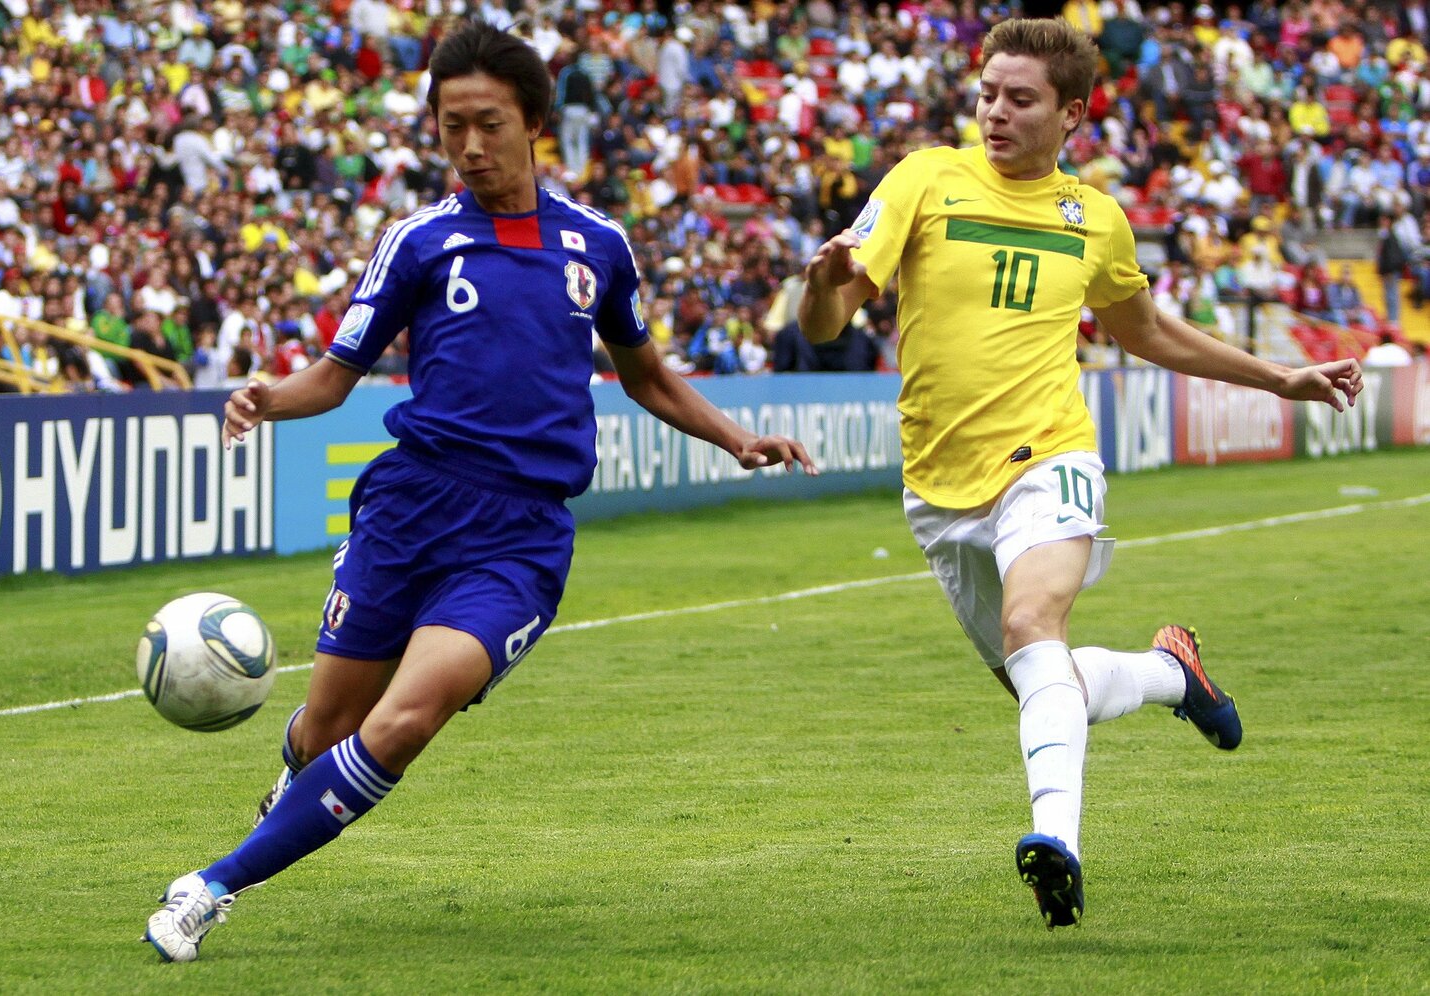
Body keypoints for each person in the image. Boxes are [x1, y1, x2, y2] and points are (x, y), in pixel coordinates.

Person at [143, 20, 816, 963]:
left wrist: (738, 437)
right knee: (331, 727)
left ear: (534, 121)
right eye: (451, 124)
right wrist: (268, 396)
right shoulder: (418, 241)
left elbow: (648, 375)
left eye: (489, 123)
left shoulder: (597, 245)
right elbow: (335, 376)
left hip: (520, 540)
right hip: (410, 508)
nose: (469, 145)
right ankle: (296, 780)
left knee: (405, 720)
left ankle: (210, 886)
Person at [796, 17, 1361, 931]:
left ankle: (1055, 841)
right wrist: (824, 283)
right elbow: (827, 320)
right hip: (940, 490)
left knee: (1033, 623)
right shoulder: (925, 180)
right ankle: (1172, 676)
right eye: (987, 93)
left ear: (1073, 115)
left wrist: (1278, 376)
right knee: (1038, 677)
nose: (996, 113)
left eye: (1020, 99)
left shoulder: (1093, 217)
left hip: (1050, 455)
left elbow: (1148, 332)